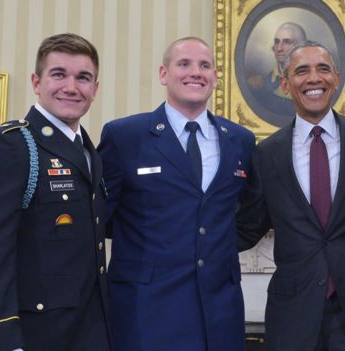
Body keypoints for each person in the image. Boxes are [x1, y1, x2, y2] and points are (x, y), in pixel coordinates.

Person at [0, 33, 111, 351]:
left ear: (95, 89)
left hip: (84, 333)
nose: (71, 86)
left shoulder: (88, 152)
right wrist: (0, 339)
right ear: (36, 82)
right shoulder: (8, 145)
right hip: (27, 337)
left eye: (83, 77)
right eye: (58, 74)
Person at [98, 36, 255, 351]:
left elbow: (251, 214)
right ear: (163, 74)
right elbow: (101, 216)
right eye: (184, 64)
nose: (195, 72)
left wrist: (215, 244)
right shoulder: (125, 136)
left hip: (219, 313)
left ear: (214, 77)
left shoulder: (240, 140)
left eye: (205, 65)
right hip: (146, 309)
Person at [237, 40, 345, 351]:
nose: (313, 79)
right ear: (285, 83)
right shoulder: (266, 154)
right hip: (293, 315)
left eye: (323, 69)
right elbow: (248, 226)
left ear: (335, 77)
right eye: (301, 71)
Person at [247, 22, 307, 126]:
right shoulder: (260, 85)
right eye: (276, 42)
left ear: (301, 46)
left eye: (287, 42)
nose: (279, 48)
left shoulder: (316, 84)